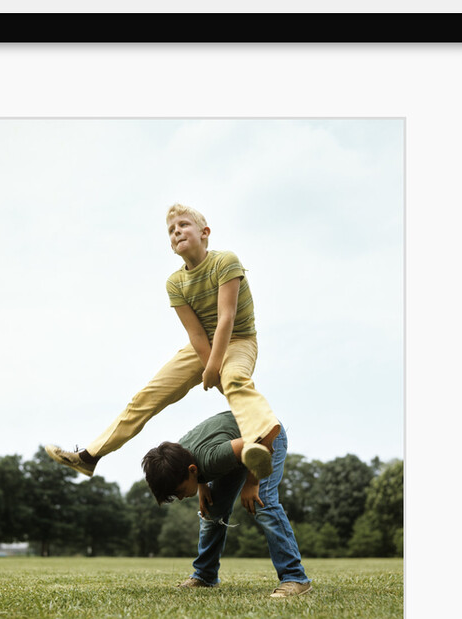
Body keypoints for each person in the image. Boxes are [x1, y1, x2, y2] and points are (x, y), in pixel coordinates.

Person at [45, 203, 280, 482]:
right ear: (171, 245)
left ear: (204, 232)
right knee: (147, 397)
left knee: (235, 379)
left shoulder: (225, 261)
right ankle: (90, 456)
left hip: (239, 339)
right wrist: (209, 368)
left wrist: (217, 368)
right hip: (202, 345)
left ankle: (260, 439)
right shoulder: (175, 283)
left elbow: (226, 318)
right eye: (171, 230)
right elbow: (195, 334)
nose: (176, 231)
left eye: (183, 225)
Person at [142, 410, 312, 598]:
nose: (181, 498)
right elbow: (202, 456)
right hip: (239, 446)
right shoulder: (179, 457)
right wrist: (202, 484)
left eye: (179, 492)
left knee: (263, 502)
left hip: (267, 436)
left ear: (192, 470)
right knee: (212, 510)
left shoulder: (213, 457)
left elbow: (259, 443)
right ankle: (205, 576)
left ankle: (295, 577)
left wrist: (252, 482)